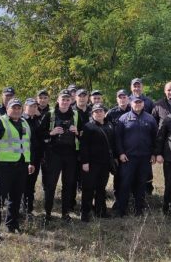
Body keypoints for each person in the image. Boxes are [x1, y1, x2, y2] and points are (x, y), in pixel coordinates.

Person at [0, 98, 35, 241]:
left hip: (21, 167)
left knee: (16, 198)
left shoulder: (24, 122)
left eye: (19, 108)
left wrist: (29, 162)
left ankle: (12, 225)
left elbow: (26, 145)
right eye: (14, 108)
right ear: (7, 108)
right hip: (2, 168)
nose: (17, 110)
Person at [42, 89, 82, 222]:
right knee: (50, 184)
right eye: (62, 99)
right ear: (58, 100)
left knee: (68, 184)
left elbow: (85, 134)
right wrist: (51, 133)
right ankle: (47, 213)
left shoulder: (76, 115)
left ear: (71, 101)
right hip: (54, 154)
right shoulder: (50, 114)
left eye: (67, 99)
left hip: (70, 155)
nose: (65, 102)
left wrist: (77, 132)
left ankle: (65, 213)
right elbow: (38, 134)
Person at [115, 96, 157, 217]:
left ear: (143, 104)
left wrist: (154, 153)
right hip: (128, 158)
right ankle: (122, 210)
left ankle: (139, 210)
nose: (137, 104)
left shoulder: (150, 119)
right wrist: (121, 153)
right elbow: (118, 138)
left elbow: (155, 138)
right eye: (135, 102)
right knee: (125, 184)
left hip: (145, 158)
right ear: (130, 103)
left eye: (140, 102)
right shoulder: (123, 118)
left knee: (141, 184)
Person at [79, 104, 115, 222]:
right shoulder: (88, 127)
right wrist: (85, 162)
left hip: (104, 164)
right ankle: (85, 213)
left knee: (101, 188)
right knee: (88, 188)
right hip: (91, 163)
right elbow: (83, 146)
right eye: (96, 111)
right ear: (92, 114)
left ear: (105, 113)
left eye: (101, 111)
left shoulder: (109, 125)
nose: (99, 113)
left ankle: (101, 211)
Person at [106, 89, 131, 207]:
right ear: (117, 99)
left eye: (124, 97)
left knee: (131, 176)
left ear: (128, 98)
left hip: (131, 150)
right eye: (120, 97)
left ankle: (129, 199)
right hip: (116, 151)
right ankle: (118, 201)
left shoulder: (134, 110)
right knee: (118, 176)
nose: (122, 99)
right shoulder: (111, 113)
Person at [22, 98, 45, 216]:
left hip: (36, 158)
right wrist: (29, 160)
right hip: (24, 159)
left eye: (35, 106)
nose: (32, 109)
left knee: (31, 184)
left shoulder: (37, 120)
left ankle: (28, 210)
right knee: (23, 185)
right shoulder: (21, 120)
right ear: (25, 107)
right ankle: (23, 210)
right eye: (30, 106)